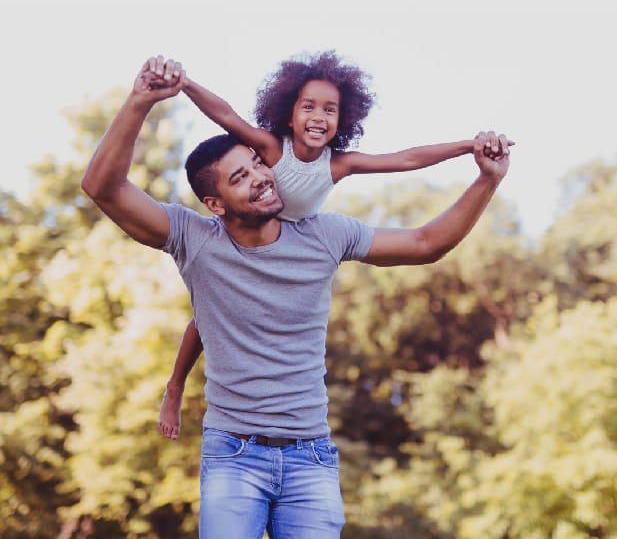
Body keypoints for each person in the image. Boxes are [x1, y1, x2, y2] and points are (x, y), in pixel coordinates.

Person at [81, 55, 511, 539]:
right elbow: (103, 187)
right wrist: (141, 100)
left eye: (256, 165)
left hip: (311, 458)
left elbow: (425, 244)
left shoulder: (325, 235)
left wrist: (487, 179)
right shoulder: (194, 239)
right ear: (215, 204)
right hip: (234, 457)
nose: (261, 177)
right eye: (239, 177)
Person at [158, 51, 511, 439]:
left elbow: (408, 159)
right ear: (288, 114)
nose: (318, 117)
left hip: (289, 243)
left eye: (330, 109)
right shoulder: (272, 150)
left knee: (218, 315)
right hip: (241, 232)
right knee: (206, 316)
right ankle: (175, 385)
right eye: (308, 106)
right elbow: (226, 116)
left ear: (342, 119)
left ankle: (180, 384)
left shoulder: (340, 164)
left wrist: (466, 147)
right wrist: (186, 85)